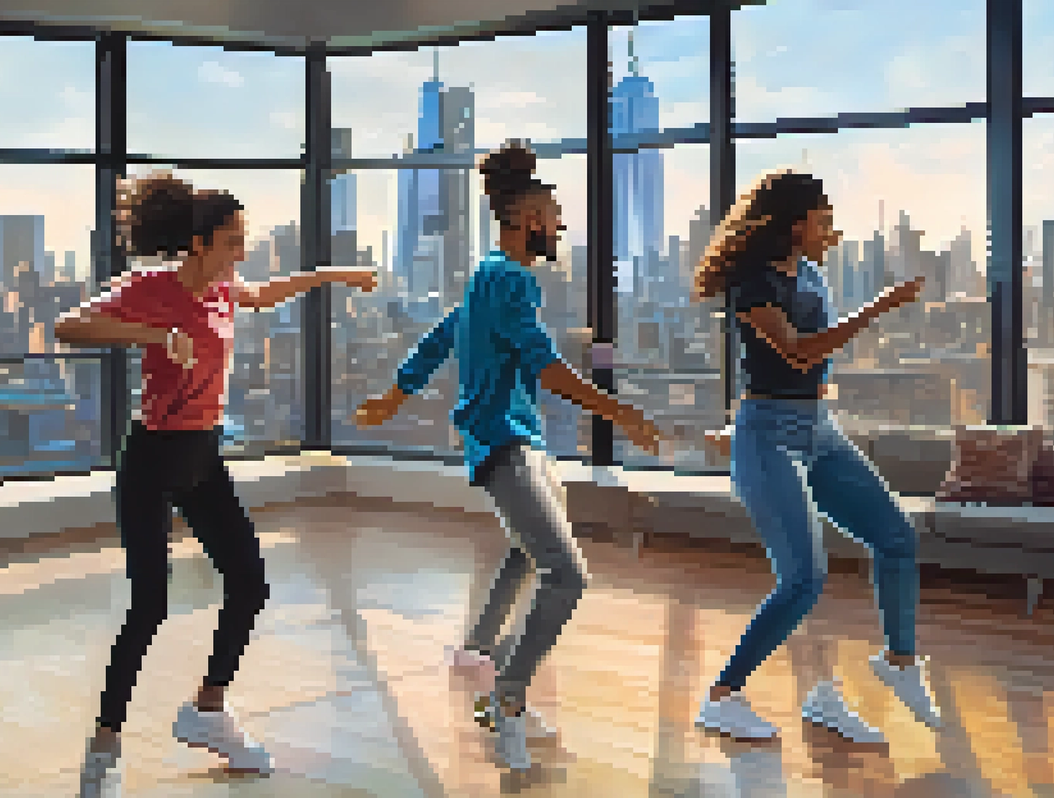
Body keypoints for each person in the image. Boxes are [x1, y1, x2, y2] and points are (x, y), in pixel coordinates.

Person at [56, 173, 377, 794]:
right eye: (233, 242)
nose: (241, 253)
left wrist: (336, 275)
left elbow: (267, 292)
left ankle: (206, 710)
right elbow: (71, 326)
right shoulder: (152, 287)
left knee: (250, 583)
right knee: (150, 604)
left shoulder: (225, 291)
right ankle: (104, 746)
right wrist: (154, 335)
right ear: (199, 243)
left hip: (202, 456)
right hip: (152, 459)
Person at [356, 141, 665, 771]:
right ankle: (505, 699)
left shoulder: (486, 275)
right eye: (553, 214)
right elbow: (548, 368)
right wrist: (623, 413)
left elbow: (442, 335)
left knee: (528, 552)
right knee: (568, 573)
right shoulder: (511, 279)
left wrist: (395, 394)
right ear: (528, 219)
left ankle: (477, 648)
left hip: (519, 440)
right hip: (504, 442)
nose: (560, 224)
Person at [690, 169, 941, 744]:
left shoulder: (808, 272)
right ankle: (723, 696)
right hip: (769, 433)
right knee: (803, 579)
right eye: (823, 221)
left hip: (818, 430)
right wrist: (881, 306)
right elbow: (799, 354)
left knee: (897, 538)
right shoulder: (753, 282)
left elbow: (813, 367)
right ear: (794, 224)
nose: (832, 231)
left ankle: (900, 662)